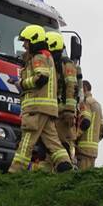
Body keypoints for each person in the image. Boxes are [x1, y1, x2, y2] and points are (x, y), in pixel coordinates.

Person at [8, 25, 73, 173]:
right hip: (47, 108)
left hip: (36, 107)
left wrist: (21, 83)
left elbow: (41, 78)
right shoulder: (46, 57)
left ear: (34, 41)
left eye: (26, 41)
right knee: (52, 140)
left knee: (26, 141)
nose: (24, 45)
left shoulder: (38, 57)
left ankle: (15, 171)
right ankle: (65, 166)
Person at [45, 31, 79, 161]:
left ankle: (66, 169)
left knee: (63, 144)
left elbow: (72, 87)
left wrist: (69, 111)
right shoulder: (52, 63)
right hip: (53, 112)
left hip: (63, 113)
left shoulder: (66, 64)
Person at [75, 80, 103, 169]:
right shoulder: (97, 105)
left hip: (82, 150)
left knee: (82, 179)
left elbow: (85, 122)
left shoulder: (85, 102)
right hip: (94, 150)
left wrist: (75, 136)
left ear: (83, 89)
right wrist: (95, 140)